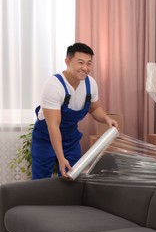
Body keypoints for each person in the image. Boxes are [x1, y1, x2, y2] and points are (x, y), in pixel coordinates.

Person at [31, 42, 118, 180]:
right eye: (80, 63)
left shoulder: (90, 84)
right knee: (40, 181)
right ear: (67, 61)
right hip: (46, 138)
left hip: (70, 140)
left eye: (89, 63)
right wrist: (61, 158)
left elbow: (94, 108)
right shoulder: (54, 86)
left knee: (72, 178)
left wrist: (106, 119)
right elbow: (53, 126)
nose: (85, 68)